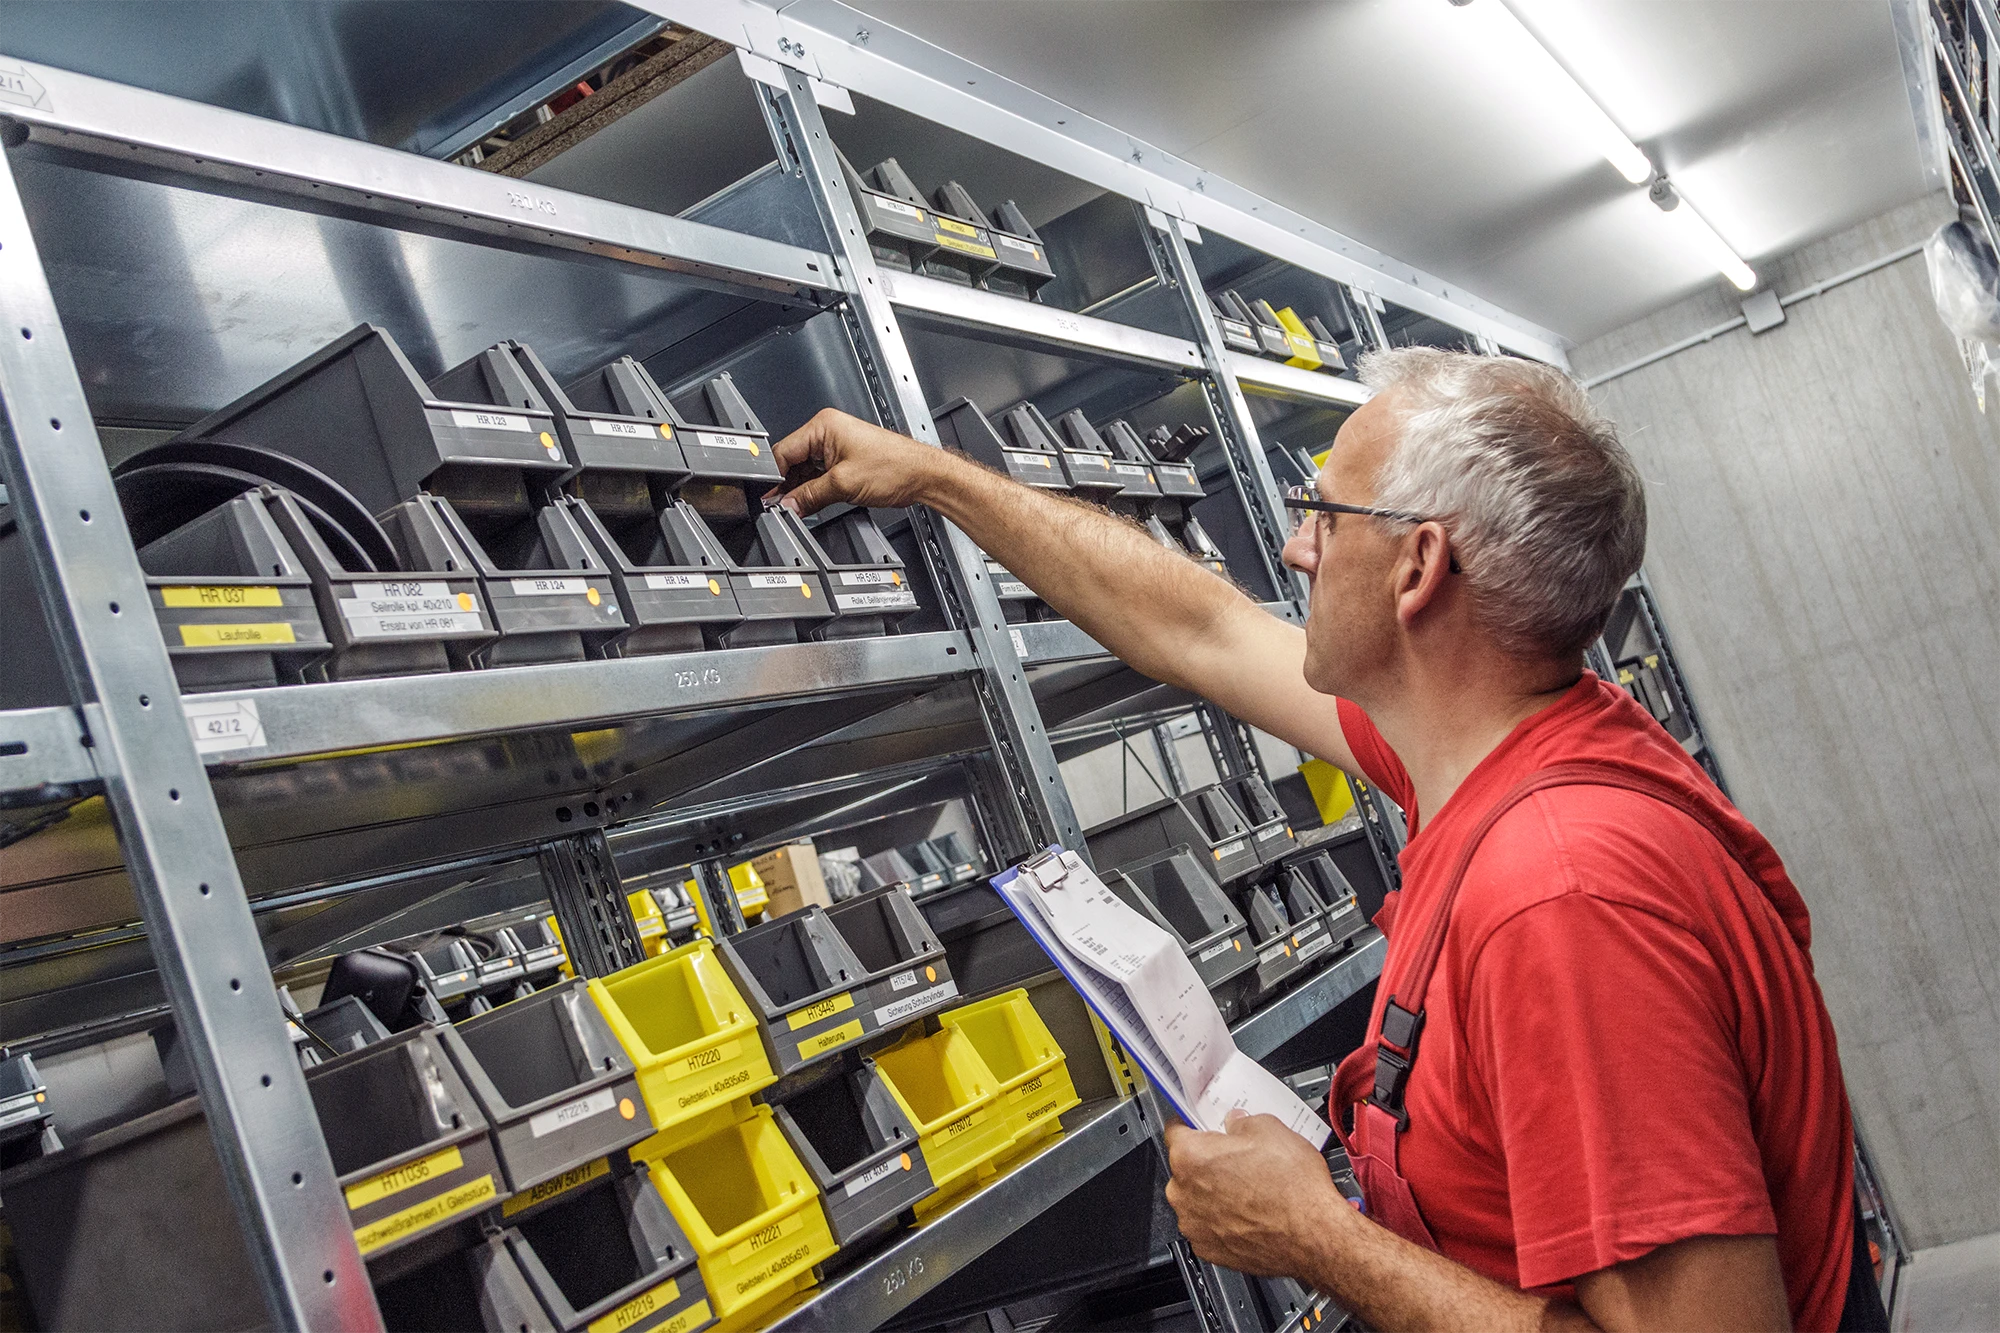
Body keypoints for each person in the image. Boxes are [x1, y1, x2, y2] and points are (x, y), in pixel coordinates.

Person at [767, 348, 1884, 1333]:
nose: (1297, 548)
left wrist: (1316, 1238)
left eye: (1325, 514)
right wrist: (934, 474)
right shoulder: (1485, 749)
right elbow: (1197, 626)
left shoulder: (1563, 898)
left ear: (1417, 567)